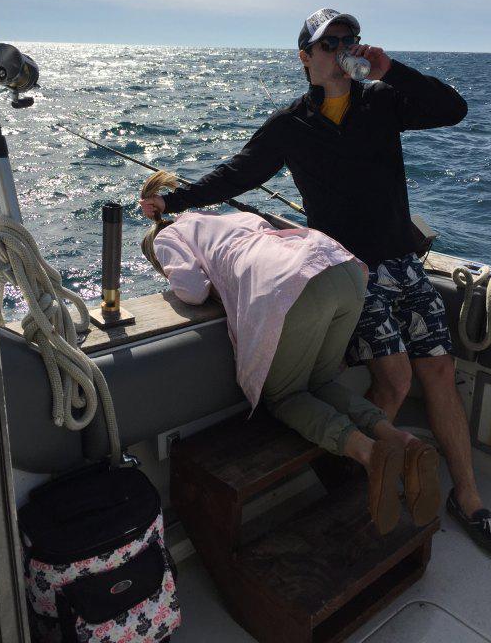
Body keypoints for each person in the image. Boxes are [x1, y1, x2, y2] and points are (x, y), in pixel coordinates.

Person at [139, 8, 491, 559]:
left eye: (350, 40)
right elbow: (237, 174)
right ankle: (358, 491)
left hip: (404, 261)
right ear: (305, 57)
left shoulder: (382, 101)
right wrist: (172, 201)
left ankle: (471, 498)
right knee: (395, 380)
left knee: (439, 369)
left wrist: (392, 70)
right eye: (330, 43)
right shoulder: (290, 125)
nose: (343, 51)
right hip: (347, 269)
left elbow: (452, 109)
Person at [140, 170, 441, 536]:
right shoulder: (232, 218)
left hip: (294, 287)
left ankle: (370, 454)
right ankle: (403, 441)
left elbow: (192, 290)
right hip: (343, 269)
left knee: (285, 396)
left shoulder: (166, 236)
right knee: (321, 382)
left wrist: (190, 282)